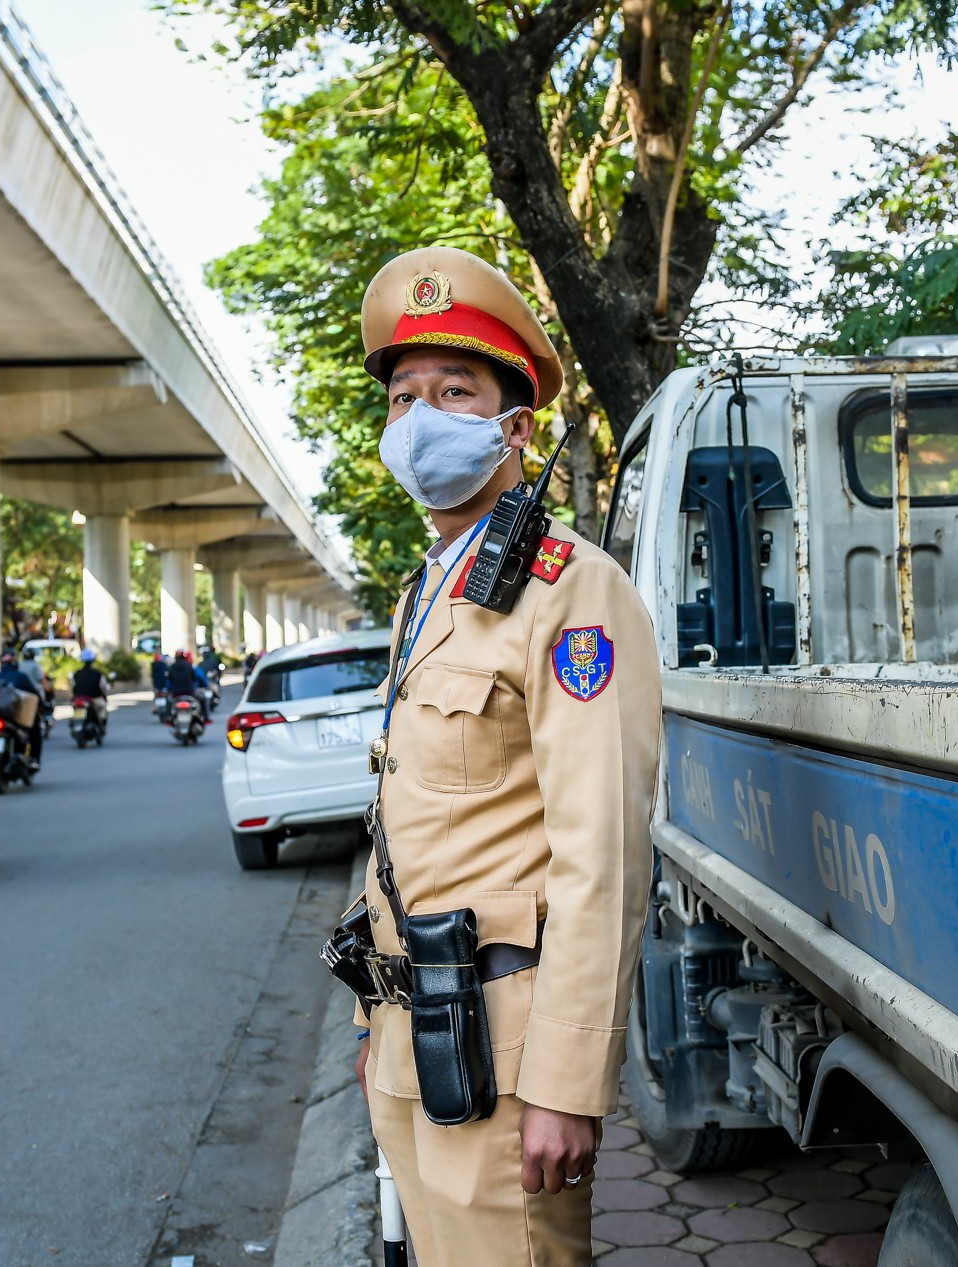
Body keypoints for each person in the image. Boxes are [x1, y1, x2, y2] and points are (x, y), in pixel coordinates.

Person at [347, 247, 660, 1266]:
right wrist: (371, 1016)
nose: (420, 417)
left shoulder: (571, 591)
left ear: (511, 427)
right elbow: (406, 811)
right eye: (403, 398)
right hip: (413, 1035)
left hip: (505, 1050)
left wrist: (566, 1085)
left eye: (453, 391)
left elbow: (601, 851)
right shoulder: (425, 592)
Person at [0, 649, 45, 767]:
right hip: (13, 717)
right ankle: (34, 759)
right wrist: (42, 706)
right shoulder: (21, 677)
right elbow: (35, 696)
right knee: (35, 729)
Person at [70, 649, 111, 726]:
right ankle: (100, 723)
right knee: (102, 707)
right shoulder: (97, 674)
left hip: (79, 698)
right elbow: (104, 687)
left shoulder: (77, 674)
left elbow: (72, 686)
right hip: (93, 699)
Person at [164, 650, 207, 720]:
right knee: (202, 698)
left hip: (176, 694)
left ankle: (168, 717)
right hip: (190, 692)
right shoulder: (189, 666)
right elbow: (194, 678)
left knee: (168, 701)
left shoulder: (171, 667)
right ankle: (205, 717)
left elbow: (169, 681)